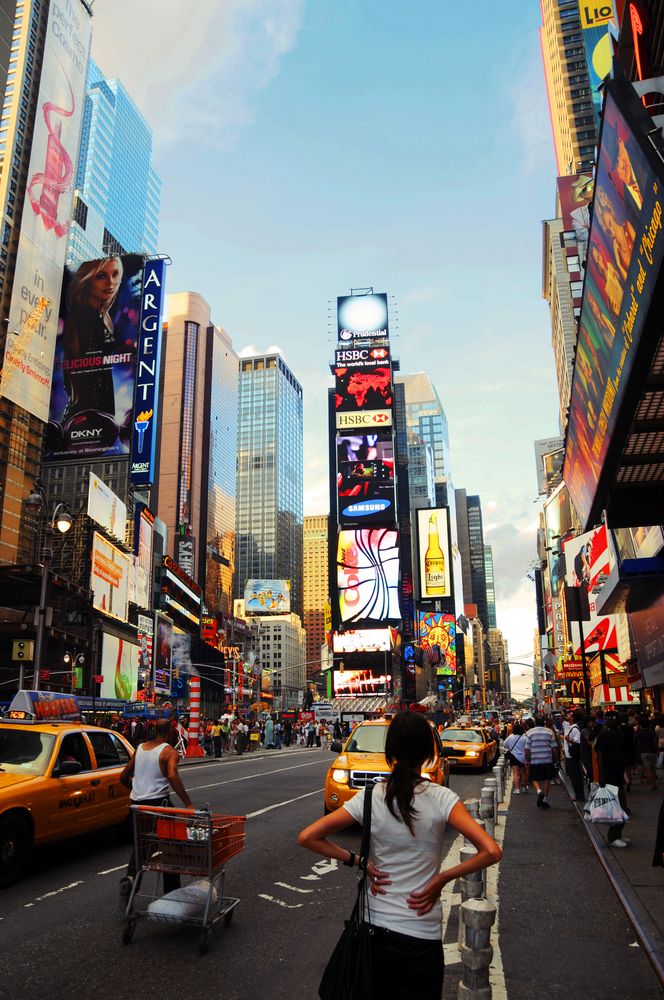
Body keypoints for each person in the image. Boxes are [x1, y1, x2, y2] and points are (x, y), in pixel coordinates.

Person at [297, 712, 501, 1000]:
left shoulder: (368, 797)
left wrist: (359, 862)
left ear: (389, 752)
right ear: (430, 751)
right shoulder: (443, 798)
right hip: (422, 933)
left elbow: (307, 837)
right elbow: (491, 851)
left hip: (374, 933)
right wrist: (442, 878)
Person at [119, 719, 194, 897]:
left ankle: (130, 881)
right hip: (159, 805)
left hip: (136, 806)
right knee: (169, 847)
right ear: (170, 732)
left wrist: (138, 790)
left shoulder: (140, 749)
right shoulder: (169, 752)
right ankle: (172, 893)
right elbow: (172, 774)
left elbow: (123, 777)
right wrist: (188, 803)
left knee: (141, 846)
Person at [61, 256, 124, 420]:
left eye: (115, 274)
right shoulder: (83, 317)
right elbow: (74, 369)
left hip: (91, 413)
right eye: (101, 276)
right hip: (87, 414)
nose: (111, 282)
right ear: (87, 280)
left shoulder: (101, 317)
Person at [595, 713, 629, 848]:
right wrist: (602, 774)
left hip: (617, 773)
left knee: (621, 806)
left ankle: (617, 833)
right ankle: (613, 835)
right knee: (617, 806)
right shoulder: (604, 734)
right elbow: (600, 754)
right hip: (609, 775)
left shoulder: (618, 733)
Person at [524, 716, 559, 810]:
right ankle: (545, 799)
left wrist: (527, 760)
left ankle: (539, 792)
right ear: (544, 722)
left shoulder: (529, 733)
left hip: (535, 760)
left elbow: (527, 748)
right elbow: (554, 747)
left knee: (534, 778)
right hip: (547, 759)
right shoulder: (549, 732)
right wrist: (556, 759)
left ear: (535, 723)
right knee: (547, 779)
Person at [564, 709, 585, 802]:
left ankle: (579, 795)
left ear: (573, 718)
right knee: (573, 776)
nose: (568, 715)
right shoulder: (570, 727)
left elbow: (578, 742)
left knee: (576, 776)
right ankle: (578, 794)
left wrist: (569, 740)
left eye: (570, 715)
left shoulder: (575, 729)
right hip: (569, 756)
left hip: (573, 756)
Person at [503, 722, 527, 794]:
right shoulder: (525, 738)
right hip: (523, 757)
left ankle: (517, 789)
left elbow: (504, 744)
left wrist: (511, 747)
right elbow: (527, 748)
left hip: (513, 756)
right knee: (523, 773)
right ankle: (524, 787)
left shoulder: (510, 737)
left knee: (515, 773)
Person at [636, 718, 659, 791]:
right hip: (652, 751)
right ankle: (654, 784)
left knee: (648, 768)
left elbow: (637, 743)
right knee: (653, 768)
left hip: (644, 752)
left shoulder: (639, 733)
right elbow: (655, 741)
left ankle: (651, 784)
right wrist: (657, 750)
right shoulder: (651, 732)